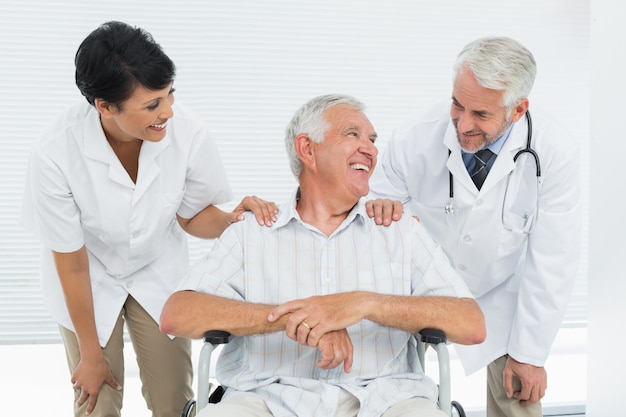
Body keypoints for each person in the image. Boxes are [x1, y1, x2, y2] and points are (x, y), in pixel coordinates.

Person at [160, 94, 486, 417]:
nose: (370, 148)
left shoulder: (398, 229)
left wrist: (364, 303)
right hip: (267, 398)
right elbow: (178, 314)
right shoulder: (252, 230)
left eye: (372, 139)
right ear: (308, 150)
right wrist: (302, 318)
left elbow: (471, 325)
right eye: (352, 134)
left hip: (388, 398)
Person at [21, 21, 277, 417]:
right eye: (152, 104)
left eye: (169, 95)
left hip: (156, 268)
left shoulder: (186, 131)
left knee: (174, 399)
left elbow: (193, 217)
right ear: (104, 106)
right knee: (96, 399)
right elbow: (71, 264)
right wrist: (90, 356)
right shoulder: (55, 153)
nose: (168, 112)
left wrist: (232, 220)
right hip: (87, 274)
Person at [367, 36, 582, 417]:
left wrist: (530, 354)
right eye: (456, 104)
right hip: (421, 288)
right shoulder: (415, 137)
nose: (463, 124)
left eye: (480, 115)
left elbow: (553, 259)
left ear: (518, 109)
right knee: (384, 391)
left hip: (502, 292)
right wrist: (387, 215)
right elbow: (377, 211)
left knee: (518, 395)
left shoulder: (553, 150)